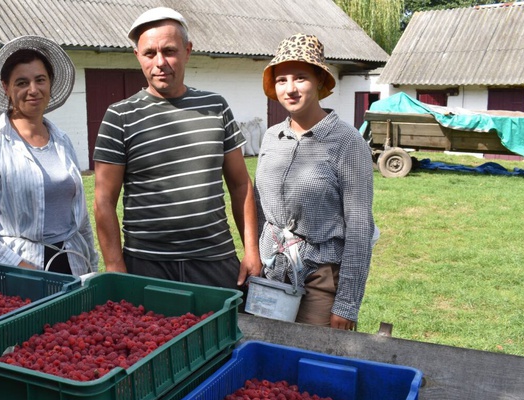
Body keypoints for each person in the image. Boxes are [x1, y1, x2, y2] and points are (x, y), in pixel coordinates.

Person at [93, 7, 261, 290]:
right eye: (149, 54)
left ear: (187, 51)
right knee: (152, 336)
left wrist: (252, 250)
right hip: (147, 265)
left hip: (215, 263)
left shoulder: (215, 107)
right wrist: (114, 266)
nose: (160, 62)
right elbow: (103, 200)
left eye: (169, 51)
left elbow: (241, 184)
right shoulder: (120, 116)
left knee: (222, 333)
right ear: (138, 57)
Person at [254, 34, 375, 330]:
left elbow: (360, 226)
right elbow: (260, 209)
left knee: (315, 360)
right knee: (265, 356)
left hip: (320, 276)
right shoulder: (271, 137)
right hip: (271, 273)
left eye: (300, 78)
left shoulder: (347, 142)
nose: (290, 88)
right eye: (281, 80)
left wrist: (347, 304)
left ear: (320, 80)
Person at [0, 35, 98, 276]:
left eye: (40, 80)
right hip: (20, 271)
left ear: (50, 83)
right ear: (6, 87)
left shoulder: (62, 141)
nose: (33, 90)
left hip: (72, 263)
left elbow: (79, 217)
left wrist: (91, 264)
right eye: (21, 82)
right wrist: (16, 264)